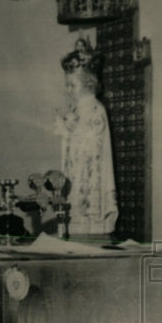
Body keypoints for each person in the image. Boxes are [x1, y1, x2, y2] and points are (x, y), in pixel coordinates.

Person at [54, 38, 119, 237]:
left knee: (87, 203)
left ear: (88, 83)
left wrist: (73, 130)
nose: (68, 90)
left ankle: (92, 223)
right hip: (74, 172)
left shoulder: (96, 109)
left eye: (72, 85)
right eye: (67, 85)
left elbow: (95, 146)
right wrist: (66, 128)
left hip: (90, 174)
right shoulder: (76, 110)